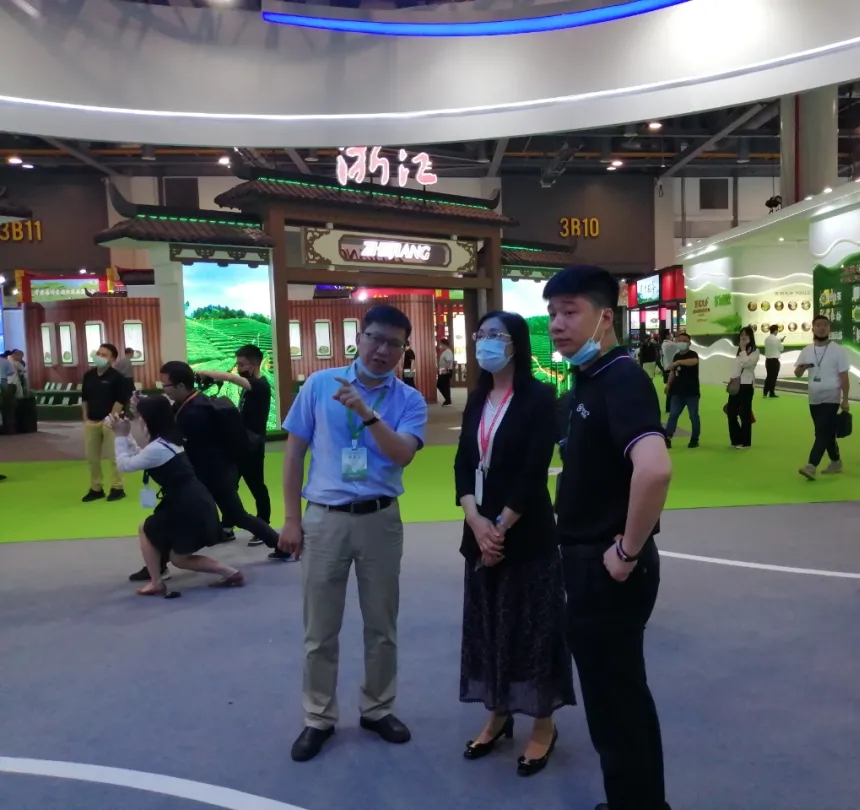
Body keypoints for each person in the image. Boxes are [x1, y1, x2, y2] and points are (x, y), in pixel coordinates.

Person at [544, 265, 673, 810]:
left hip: (608, 567)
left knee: (617, 701)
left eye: (570, 311)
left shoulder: (622, 379)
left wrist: (626, 551)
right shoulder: (588, 379)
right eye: (552, 313)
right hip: (586, 561)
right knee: (612, 700)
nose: (557, 324)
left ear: (605, 317)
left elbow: (655, 469)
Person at [279, 305, 428, 763]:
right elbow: (294, 453)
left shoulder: (409, 400)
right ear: (359, 337)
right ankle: (318, 717)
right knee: (319, 628)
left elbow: (402, 454)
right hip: (324, 518)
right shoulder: (319, 384)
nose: (382, 350)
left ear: (404, 350)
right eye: (375, 338)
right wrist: (291, 518)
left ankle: (377, 708)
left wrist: (366, 413)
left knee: (382, 624)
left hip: (380, 520)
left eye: (394, 344)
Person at [454, 310, 575, 776]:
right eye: (481, 334)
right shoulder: (477, 397)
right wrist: (475, 520)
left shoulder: (539, 397)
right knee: (488, 628)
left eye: (495, 335)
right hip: (479, 532)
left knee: (532, 631)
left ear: (515, 344)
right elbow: (464, 463)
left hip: (525, 535)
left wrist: (499, 526)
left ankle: (543, 725)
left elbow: (533, 470)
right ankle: (498, 713)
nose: (485, 342)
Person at [128, 361, 283, 583]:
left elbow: (168, 435)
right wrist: (145, 407)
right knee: (230, 515)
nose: (164, 389)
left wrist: (144, 415)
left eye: (165, 385)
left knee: (233, 515)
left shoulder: (193, 412)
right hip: (209, 474)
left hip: (210, 476)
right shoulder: (190, 404)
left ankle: (281, 544)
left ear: (181, 386)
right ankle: (158, 565)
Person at [110, 396, 243, 596]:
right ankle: (231, 572)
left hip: (187, 504)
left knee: (149, 532)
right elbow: (140, 455)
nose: (138, 421)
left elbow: (124, 465)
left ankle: (157, 582)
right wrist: (126, 434)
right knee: (178, 557)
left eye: (140, 417)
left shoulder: (157, 448)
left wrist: (120, 437)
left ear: (149, 420)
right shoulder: (168, 441)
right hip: (192, 500)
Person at [199, 344, 273, 543]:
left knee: (256, 487)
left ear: (253, 365)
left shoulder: (260, 386)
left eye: (241, 364)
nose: (238, 368)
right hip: (240, 443)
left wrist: (206, 372)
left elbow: (231, 378)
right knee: (229, 487)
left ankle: (263, 526)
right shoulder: (251, 387)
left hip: (253, 446)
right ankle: (227, 526)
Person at [794, 316, 850, 480]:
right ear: (812, 328)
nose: (822, 328)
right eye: (818, 325)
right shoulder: (807, 350)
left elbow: (844, 377)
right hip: (814, 398)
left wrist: (845, 399)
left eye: (825, 325)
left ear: (829, 329)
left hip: (831, 397)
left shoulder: (838, 350)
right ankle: (836, 461)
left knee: (822, 432)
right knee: (825, 431)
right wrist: (802, 368)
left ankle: (811, 465)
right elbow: (797, 373)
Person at [80, 343, 131, 502]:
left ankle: (117, 487)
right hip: (91, 422)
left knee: (114, 456)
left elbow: (120, 401)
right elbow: (84, 398)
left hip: (110, 422)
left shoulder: (118, 378)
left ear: (112, 359)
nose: (99, 357)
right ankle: (96, 488)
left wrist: (110, 419)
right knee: (92, 458)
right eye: (98, 353)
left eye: (104, 355)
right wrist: (85, 418)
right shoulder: (88, 376)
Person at [663, 332, 701, 449]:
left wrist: (678, 362)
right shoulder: (676, 356)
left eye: (685, 341)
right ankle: (668, 437)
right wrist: (668, 384)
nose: (682, 343)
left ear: (689, 343)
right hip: (677, 392)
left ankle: (694, 439)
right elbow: (673, 372)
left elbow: (694, 361)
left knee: (693, 416)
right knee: (673, 415)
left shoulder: (693, 354)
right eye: (680, 341)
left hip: (691, 392)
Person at [727, 326, 760, 449]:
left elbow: (747, 363)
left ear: (751, 336)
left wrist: (743, 349)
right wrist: (732, 378)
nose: (743, 337)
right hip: (736, 384)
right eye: (741, 335)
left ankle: (745, 442)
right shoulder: (739, 351)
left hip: (746, 384)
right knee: (731, 412)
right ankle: (736, 439)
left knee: (745, 414)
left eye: (746, 334)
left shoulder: (755, 351)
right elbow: (737, 367)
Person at [659, 333, 680, 414]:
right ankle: (669, 408)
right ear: (667, 336)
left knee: (671, 388)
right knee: (671, 388)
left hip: (667, 368)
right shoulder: (669, 344)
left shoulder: (664, 344)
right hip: (670, 368)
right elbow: (677, 347)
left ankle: (670, 407)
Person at [762, 325, 784, 398]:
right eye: (777, 330)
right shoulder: (776, 339)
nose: (777, 332)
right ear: (775, 330)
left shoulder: (766, 339)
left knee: (769, 376)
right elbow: (781, 349)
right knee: (773, 377)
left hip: (768, 360)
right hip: (774, 361)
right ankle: (771, 392)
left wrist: (779, 341)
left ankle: (765, 392)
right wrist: (780, 342)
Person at [0, 351, 16, 435]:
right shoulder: (5, 361)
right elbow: (12, 371)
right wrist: (5, 373)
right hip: (3, 380)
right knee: (4, 401)